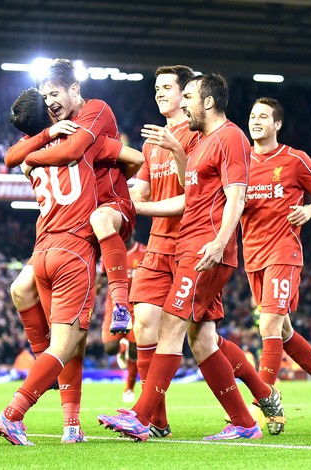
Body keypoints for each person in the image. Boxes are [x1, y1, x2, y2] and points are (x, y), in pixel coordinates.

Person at [97, 73, 265, 442]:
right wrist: (174, 157)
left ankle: (143, 417)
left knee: (171, 327)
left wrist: (221, 242)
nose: (184, 102)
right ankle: (246, 420)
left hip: (205, 248)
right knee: (202, 339)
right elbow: (191, 193)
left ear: (207, 102)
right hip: (191, 245)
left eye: (188, 95)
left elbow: (237, 195)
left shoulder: (232, 137)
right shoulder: (202, 142)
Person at [0, 62, 143, 446]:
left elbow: (13, 158)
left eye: (54, 94)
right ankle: (13, 413)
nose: (52, 102)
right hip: (76, 249)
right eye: (47, 99)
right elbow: (130, 156)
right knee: (65, 345)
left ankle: (71, 425)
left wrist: (36, 148)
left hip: (42, 249)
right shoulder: (82, 142)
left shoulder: (32, 159)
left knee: (64, 339)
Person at [241, 97, 311, 428]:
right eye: (253, 115)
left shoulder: (294, 159)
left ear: (277, 125)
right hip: (252, 255)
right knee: (283, 330)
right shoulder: (240, 162)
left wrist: (308, 211)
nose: (256, 121)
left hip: (284, 251)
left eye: (264, 117)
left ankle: (264, 404)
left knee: (269, 326)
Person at [99, 233, 147, 403]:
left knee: (136, 351)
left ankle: (129, 389)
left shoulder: (144, 252)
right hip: (115, 305)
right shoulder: (110, 253)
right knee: (109, 348)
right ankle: (121, 348)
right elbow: (102, 278)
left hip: (136, 305)